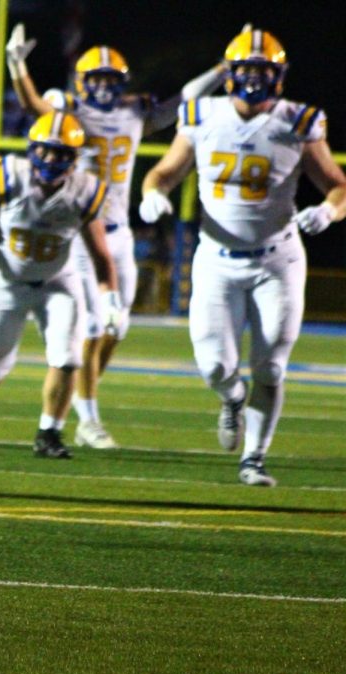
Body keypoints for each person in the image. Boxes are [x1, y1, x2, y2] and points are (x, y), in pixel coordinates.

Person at [138, 27, 346, 487]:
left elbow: (337, 184)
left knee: (271, 365)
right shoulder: (201, 115)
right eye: (247, 70)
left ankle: (254, 456)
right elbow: (164, 171)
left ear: (279, 75)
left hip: (279, 259)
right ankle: (232, 397)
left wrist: (329, 211)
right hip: (216, 257)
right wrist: (152, 192)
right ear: (231, 74)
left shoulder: (299, 121)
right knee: (214, 365)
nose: (254, 79)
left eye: (263, 70)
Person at [5, 25, 223, 448]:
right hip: (81, 235)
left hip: (119, 231)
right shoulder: (66, 109)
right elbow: (33, 105)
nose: (104, 88)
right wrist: (17, 64)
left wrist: (221, 69)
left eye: (110, 80)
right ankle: (87, 419)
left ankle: (83, 400)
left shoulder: (134, 110)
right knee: (90, 326)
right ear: (83, 82)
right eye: (97, 79)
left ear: (121, 82)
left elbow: (183, 101)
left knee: (116, 326)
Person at [0, 112, 118, 459]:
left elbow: (101, 254)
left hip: (57, 281)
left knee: (68, 357)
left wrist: (112, 301)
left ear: (74, 158)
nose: (51, 160)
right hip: (4, 278)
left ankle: (49, 432)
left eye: (60, 154)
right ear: (32, 150)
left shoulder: (86, 190)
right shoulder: (8, 176)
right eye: (45, 151)